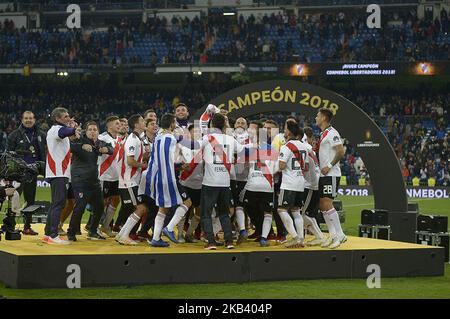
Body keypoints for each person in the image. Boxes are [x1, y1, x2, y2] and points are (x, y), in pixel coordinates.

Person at [197, 113, 246, 250]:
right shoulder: (230, 139)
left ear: (211, 125)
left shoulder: (207, 138)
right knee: (224, 213)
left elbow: (194, 147)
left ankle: (211, 242)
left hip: (209, 183)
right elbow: (243, 151)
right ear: (224, 125)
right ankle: (229, 241)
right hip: (225, 183)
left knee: (206, 214)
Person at [146, 113, 192, 247]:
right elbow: (166, 161)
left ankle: (155, 238)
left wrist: (179, 165)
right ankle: (170, 228)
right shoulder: (170, 138)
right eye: (175, 122)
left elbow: (159, 159)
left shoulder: (158, 137)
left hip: (157, 177)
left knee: (163, 208)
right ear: (172, 123)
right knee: (187, 202)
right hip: (167, 177)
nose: (176, 125)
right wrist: (179, 165)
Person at [67, 121, 113, 241]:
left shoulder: (99, 143)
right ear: (86, 132)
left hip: (94, 181)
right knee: (80, 206)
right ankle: (71, 232)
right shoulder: (80, 140)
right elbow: (70, 146)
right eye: (90, 130)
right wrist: (81, 146)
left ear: (98, 132)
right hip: (80, 180)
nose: (92, 132)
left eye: (95, 130)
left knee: (100, 206)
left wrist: (105, 149)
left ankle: (92, 231)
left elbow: (111, 149)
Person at [43, 107, 80, 245]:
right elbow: (65, 131)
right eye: (65, 116)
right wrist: (73, 129)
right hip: (58, 172)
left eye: (68, 115)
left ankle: (48, 234)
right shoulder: (56, 130)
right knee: (59, 203)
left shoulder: (56, 131)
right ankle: (53, 235)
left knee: (56, 204)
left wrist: (71, 129)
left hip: (59, 172)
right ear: (58, 118)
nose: (68, 118)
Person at [6, 111, 46, 235]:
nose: (28, 120)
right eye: (26, 118)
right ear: (22, 120)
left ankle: (27, 227)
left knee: (30, 201)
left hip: (32, 173)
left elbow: (43, 154)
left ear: (34, 120)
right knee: (14, 200)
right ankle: (10, 226)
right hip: (17, 174)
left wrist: (42, 169)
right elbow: (8, 155)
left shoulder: (40, 134)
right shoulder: (14, 135)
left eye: (31, 118)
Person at [241, 122, 278, 247]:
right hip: (268, 185)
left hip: (253, 184)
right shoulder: (272, 148)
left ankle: (242, 230)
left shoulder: (249, 147)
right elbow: (278, 166)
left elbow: (239, 160)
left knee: (240, 205)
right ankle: (263, 238)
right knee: (268, 212)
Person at [315, 108, 347, 249]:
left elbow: (341, 151)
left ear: (323, 117)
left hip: (331, 174)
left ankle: (340, 235)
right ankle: (333, 235)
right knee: (322, 204)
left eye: (317, 115)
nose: (316, 118)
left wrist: (329, 165)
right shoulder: (324, 133)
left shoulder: (333, 132)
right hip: (324, 175)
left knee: (327, 203)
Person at [277, 121, 309, 248]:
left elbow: (281, 166)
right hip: (300, 182)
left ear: (289, 131)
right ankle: (301, 239)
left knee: (281, 210)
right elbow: (305, 167)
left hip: (289, 183)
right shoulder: (304, 147)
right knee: (296, 211)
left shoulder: (286, 146)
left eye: (285, 129)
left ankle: (295, 238)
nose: (284, 131)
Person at [114, 114, 147, 236]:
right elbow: (130, 161)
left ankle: (122, 234)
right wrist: (143, 165)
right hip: (128, 180)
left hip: (132, 180)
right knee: (140, 208)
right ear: (137, 125)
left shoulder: (137, 139)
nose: (145, 122)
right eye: (142, 121)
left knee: (136, 208)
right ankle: (124, 235)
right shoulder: (133, 139)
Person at [97, 116, 122, 237]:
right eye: (117, 123)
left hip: (116, 177)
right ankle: (94, 227)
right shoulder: (102, 137)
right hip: (104, 176)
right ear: (109, 126)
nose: (119, 125)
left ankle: (106, 226)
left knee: (116, 200)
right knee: (102, 203)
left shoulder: (120, 139)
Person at [301, 126, 325, 246]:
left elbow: (304, 167)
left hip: (309, 186)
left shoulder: (304, 148)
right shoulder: (311, 149)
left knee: (300, 213)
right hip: (312, 184)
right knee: (305, 214)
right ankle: (318, 236)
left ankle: (317, 236)